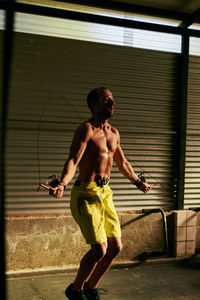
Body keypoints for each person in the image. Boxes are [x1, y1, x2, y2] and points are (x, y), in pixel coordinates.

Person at [51, 87, 151, 300]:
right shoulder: (86, 130)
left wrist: (138, 182)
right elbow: (73, 160)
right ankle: (75, 290)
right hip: (85, 194)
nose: (112, 103)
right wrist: (63, 183)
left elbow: (122, 163)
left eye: (112, 99)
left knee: (115, 248)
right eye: (106, 100)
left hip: (105, 194)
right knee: (100, 250)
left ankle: (91, 288)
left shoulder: (114, 133)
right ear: (94, 105)